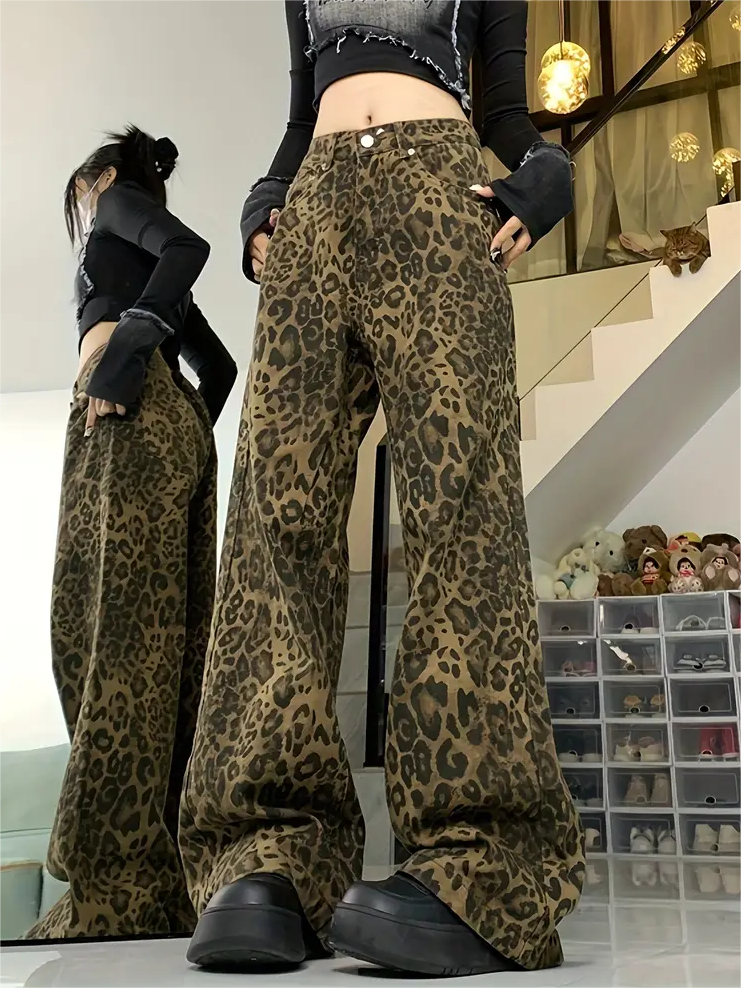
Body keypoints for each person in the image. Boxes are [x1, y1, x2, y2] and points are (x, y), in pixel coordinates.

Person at [180, 0, 585, 976]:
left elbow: (504, 111)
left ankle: (483, 865)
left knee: (459, 510)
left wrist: (547, 173)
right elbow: (299, 112)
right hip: (314, 208)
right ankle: (269, 850)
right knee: (274, 516)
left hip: (438, 193)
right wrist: (265, 198)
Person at [25, 126, 237, 941]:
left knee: (100, 636)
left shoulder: (117, 202)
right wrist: (178, 427)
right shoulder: (152, 273)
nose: (85, 209)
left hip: (122, 408)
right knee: (167, 648)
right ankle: (165, 875)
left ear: (104, 177)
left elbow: (189, 245)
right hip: (167, 420)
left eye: (82, 193)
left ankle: (114, 884)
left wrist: (124, 360)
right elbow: (217, 369)